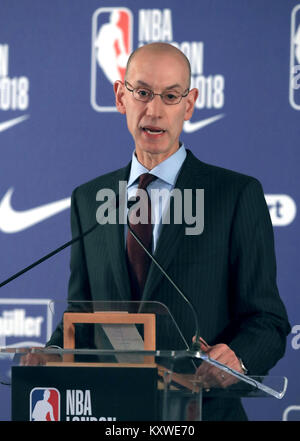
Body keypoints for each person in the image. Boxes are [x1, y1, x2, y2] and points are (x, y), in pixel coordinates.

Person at [22, 42, 290, 421]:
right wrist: (50, 354)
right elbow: (81, 315)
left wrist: (237, 357)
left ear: (190, 103)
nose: (154, 110)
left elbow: (268, 321)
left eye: (170, 96)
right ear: (120, 96)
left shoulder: (234, 195)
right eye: (143, 93)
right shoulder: (89, 199)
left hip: (204, 413)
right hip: (113, 416)